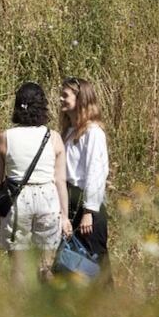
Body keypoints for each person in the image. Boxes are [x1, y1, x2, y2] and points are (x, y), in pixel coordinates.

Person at [0, 81, 72, 272]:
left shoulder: (5, 137)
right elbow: (60, 181)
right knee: (46, 266)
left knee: (18, 268)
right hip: (48, 198)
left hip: (17, 200)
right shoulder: (53, 137)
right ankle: (45, 288)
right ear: (43, 106)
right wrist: (65, 217)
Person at [60, 77, 110, 265]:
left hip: (87, 205)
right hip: (70, 202)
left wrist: (89, 211)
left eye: (65, 95)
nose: (61, 99)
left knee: (92, 262)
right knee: (71, 262)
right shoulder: (68, 132)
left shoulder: (93, 132)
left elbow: (95, 172)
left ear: (80, 98)